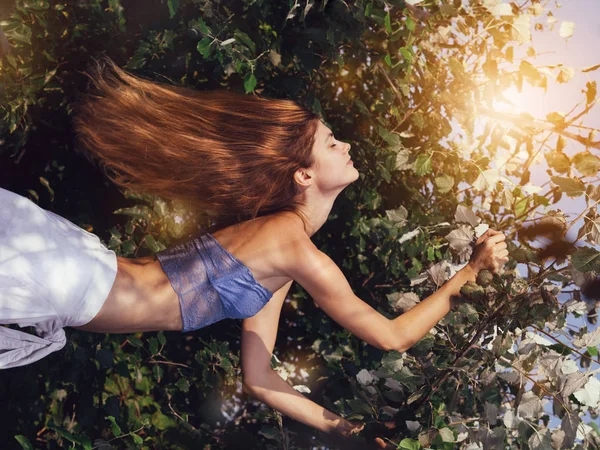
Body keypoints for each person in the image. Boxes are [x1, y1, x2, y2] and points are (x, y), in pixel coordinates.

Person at [0, 57, 509, 441]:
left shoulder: (280, 257)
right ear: (304, 175)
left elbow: (261, 379)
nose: (348, 145)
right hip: (69, 279)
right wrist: (470, 271)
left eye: (333, 141)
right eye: (334, 143)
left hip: (77, 273)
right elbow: (392, 337)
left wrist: (346, 431)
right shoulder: (293, 249)